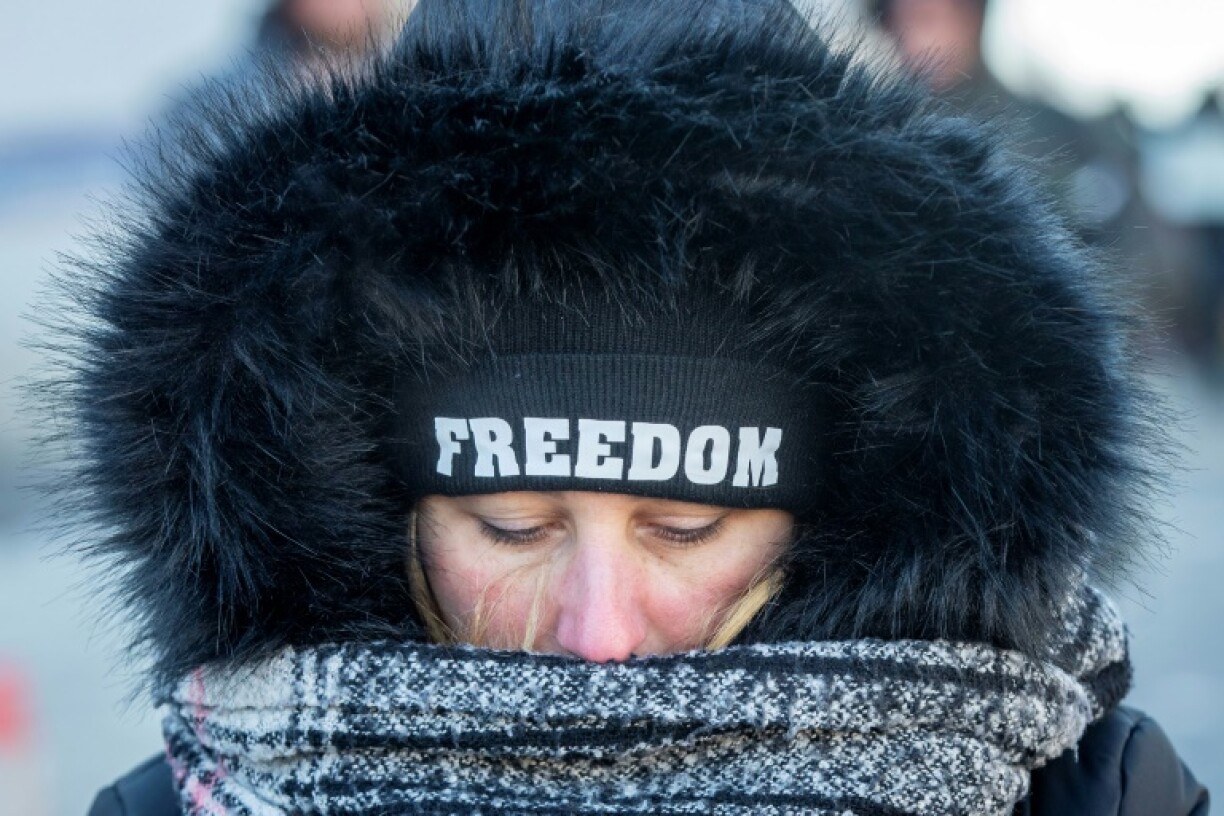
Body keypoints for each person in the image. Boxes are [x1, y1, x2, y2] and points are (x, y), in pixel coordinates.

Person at [48, 0, 1207, 813]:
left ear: (828, 527)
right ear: (381, 514)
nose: (599, 635)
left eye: (687, 527)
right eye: (509, 525)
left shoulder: (1081, 794)